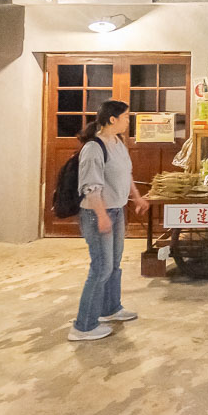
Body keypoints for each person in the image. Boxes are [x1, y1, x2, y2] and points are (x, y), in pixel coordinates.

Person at [70, 99, 149, 342]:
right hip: (98, 214)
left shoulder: (118, 142)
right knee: (101, 267)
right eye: (125, 116)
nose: (128, 120)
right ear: (112, 119)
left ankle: (110, 308)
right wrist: (102, 216)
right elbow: (90, 187)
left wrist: (136, 198)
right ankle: (83, 326)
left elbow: (126, 174)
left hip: (116, 210)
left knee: (114, 264)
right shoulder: (93, 148)